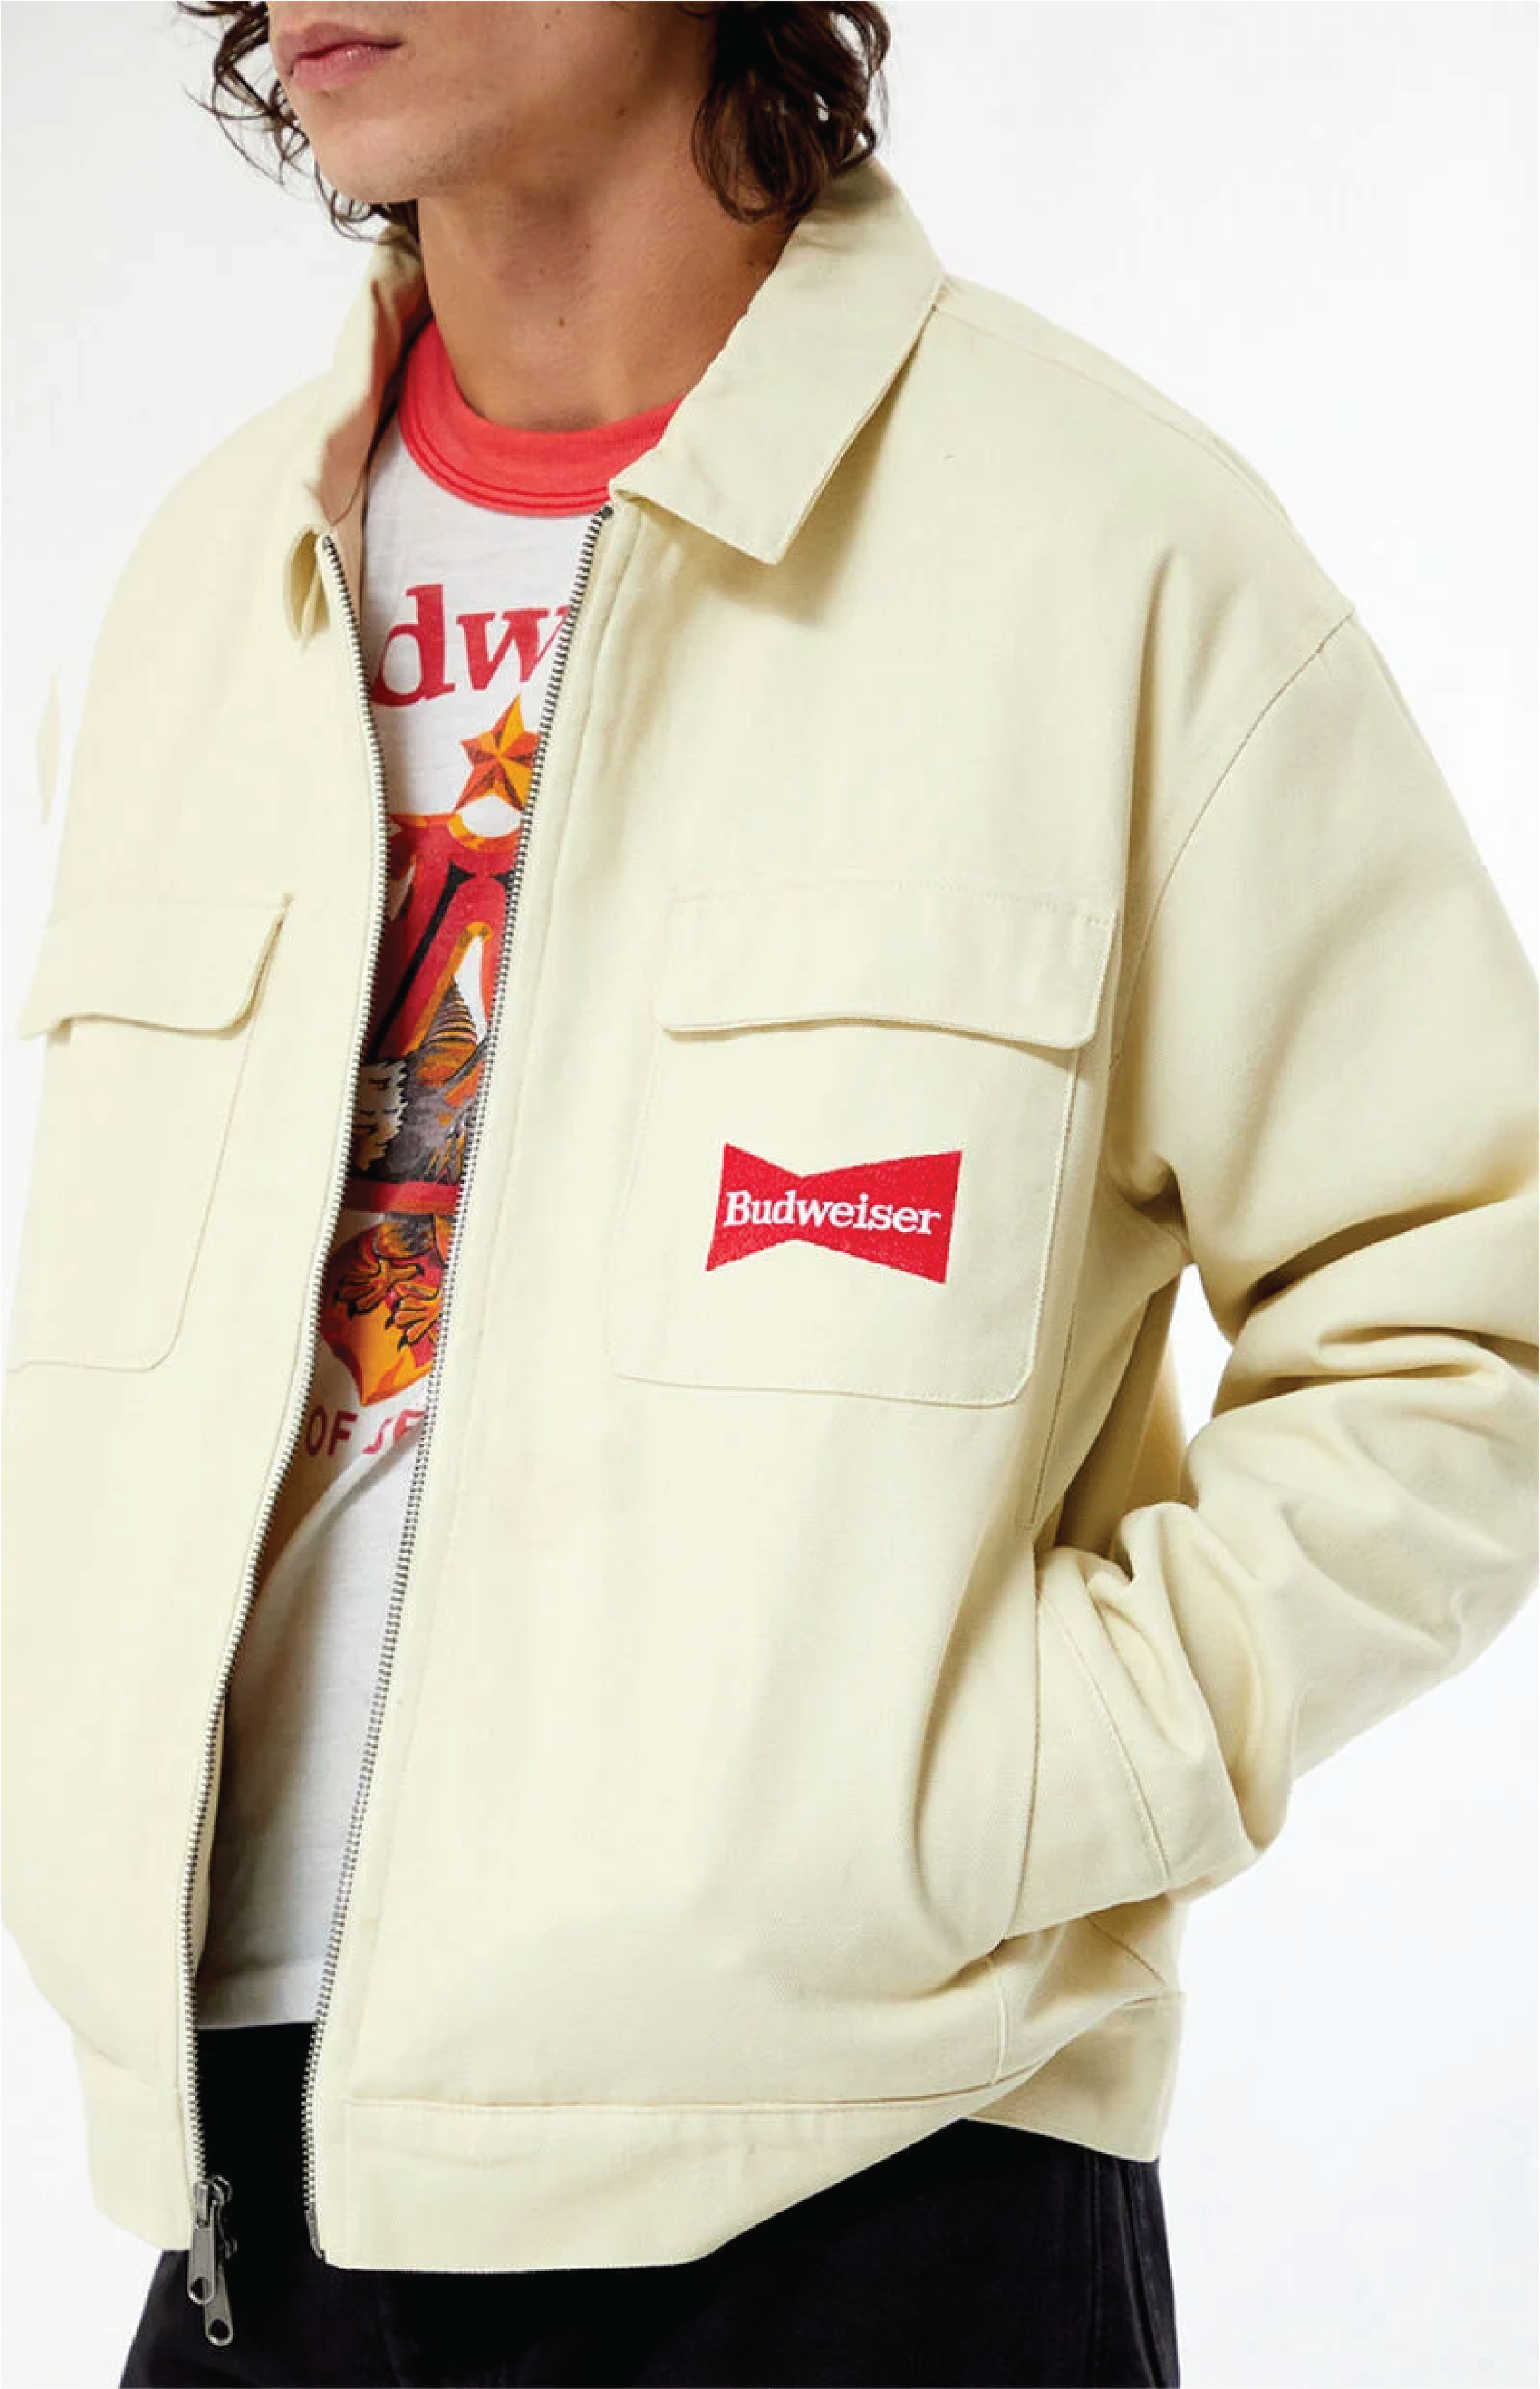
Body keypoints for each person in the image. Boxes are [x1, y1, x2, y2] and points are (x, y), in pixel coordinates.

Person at [0, 2, 1533, 2383]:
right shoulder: (214, 577)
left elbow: (1466, 1302)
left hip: (872, 2200)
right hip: (242, 2199)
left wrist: (1000, 1783)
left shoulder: (1100, 549)